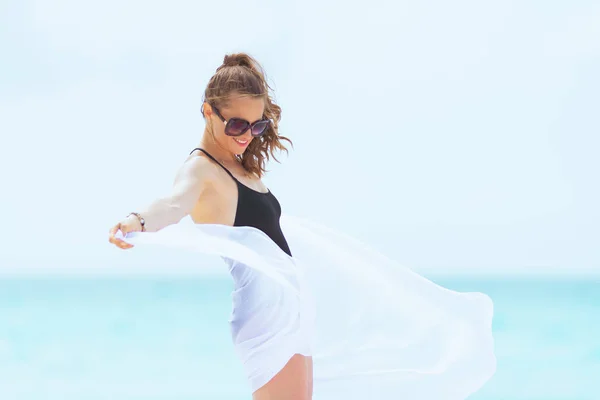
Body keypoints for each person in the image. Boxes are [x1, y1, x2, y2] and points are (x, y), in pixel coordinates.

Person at [108, 53, 496, 400]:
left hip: (291, 308)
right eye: (237, 125)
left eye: (256, 127)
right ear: (208, 112)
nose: (246, 136)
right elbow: (174, 204)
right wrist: (137, 221)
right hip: (266, 312)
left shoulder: (240, 167)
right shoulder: (201, 169)